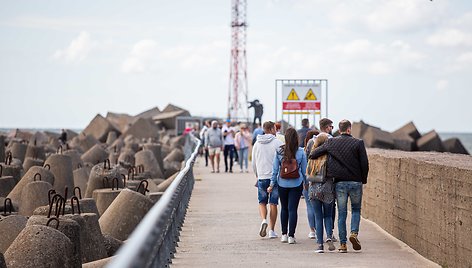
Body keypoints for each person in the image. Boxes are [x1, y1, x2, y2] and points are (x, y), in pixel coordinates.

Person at [309, 119, 369, 253]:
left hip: (340, 182)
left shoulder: (331, 142)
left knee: (342, 213)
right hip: (355, 182)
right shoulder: (358, 143)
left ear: (339, 129)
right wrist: (363, 179)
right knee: (356, 210)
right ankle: (354, 233)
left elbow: (313, 154)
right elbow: (364, 164)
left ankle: (343, 244)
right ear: (349, 129)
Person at [268, 128, 307, 244]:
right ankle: (291, 236)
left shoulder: (279, 151)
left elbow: (275, 170)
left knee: (284, 208)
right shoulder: (300, 152)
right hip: (296, 183)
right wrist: (306, 183)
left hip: (282, 183)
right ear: (296, 138)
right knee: (293, 209)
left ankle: (284, 234)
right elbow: (305, 171)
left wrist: (271, 184)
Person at [306, 118, 336, 241]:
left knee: (318, 216)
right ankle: (329, 236)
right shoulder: (331, 147)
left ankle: (319, 244)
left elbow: (306, 164)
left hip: (313, 186)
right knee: (328, 215)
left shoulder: (311, 149)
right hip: (328, 186)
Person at [252, 121, 284, 239]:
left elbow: (253, 162)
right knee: (273, 203)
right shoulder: (278, 142)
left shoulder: (257, 143)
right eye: (275, 129)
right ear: (271, 129)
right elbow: (282, 160)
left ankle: (264, 220)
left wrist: (257, 174)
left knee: (262, 202)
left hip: (261, 176)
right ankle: (272, 230)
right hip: (274, 178)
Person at [302, 129, 320, 240]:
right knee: (319, 207)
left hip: (309, 179)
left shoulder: (305, 151)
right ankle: (321, 230)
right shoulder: (322, 150)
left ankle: (312, 231)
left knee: (309, 205)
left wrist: (305, 181)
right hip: (321, 179)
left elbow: (304, 168)